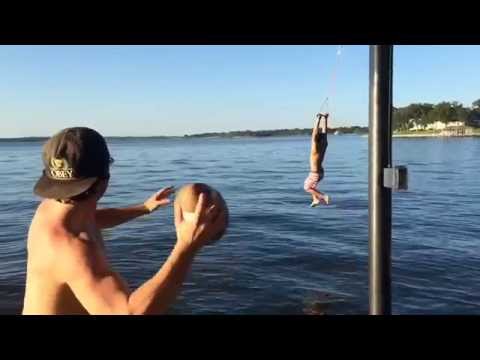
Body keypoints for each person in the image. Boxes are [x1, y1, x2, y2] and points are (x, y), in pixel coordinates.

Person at [22, 127, 227, 315]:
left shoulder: (52, 208)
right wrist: (186, 246)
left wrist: (144, 208)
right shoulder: (72, 250)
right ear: (105, 178)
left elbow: (92, 219)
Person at [304, 113, 330, 207]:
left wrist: (318, 119)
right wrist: (325, 119)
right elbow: (324, 132)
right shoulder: (324, 144)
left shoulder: (315, 149)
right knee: (311, 185)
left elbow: (314, 133)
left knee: (307, 187)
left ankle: (323, 196)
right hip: (319, 173)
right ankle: (315, 199)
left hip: (315, 173)